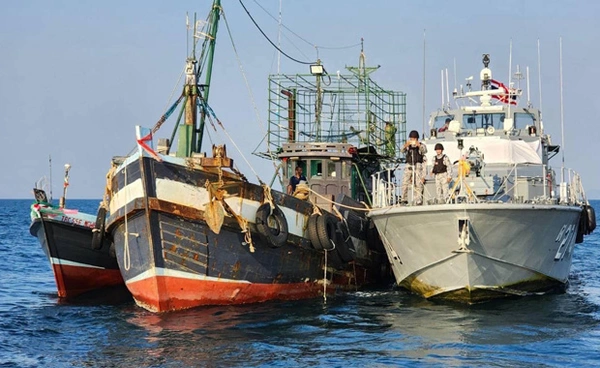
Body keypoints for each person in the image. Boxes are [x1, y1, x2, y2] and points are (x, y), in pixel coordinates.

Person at [400, 130, 427, 205]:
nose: (412, 140)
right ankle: (403, 199)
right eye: (411, 139)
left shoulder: (421, 145)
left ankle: (418, 199)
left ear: (417, 139)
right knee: (405, 182)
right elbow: (402, 150)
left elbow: (424, 151)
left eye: (414, 139)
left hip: (418, 165)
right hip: (409, 165)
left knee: (418, 184)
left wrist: (419, 145)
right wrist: (406, 145)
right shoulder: (408, 146)